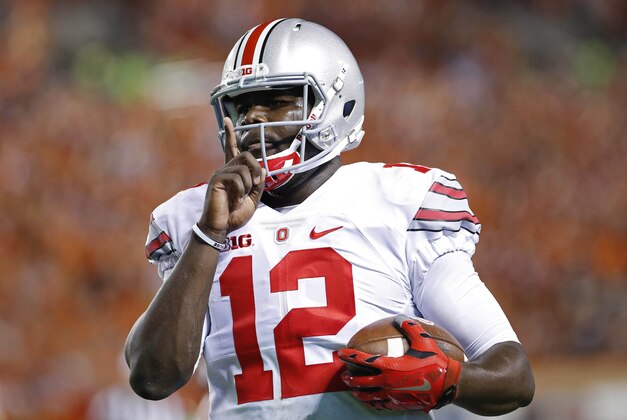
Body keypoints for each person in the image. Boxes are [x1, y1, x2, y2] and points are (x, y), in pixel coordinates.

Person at [125, 18, 534, 419]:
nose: (255, 118)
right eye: (244, 105)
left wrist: (447, 379)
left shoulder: (398, 201)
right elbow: (153, 377)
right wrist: (208, 234)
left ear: (334, 103)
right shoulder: (193, 217)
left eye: (279, 99)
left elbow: (513, 375)